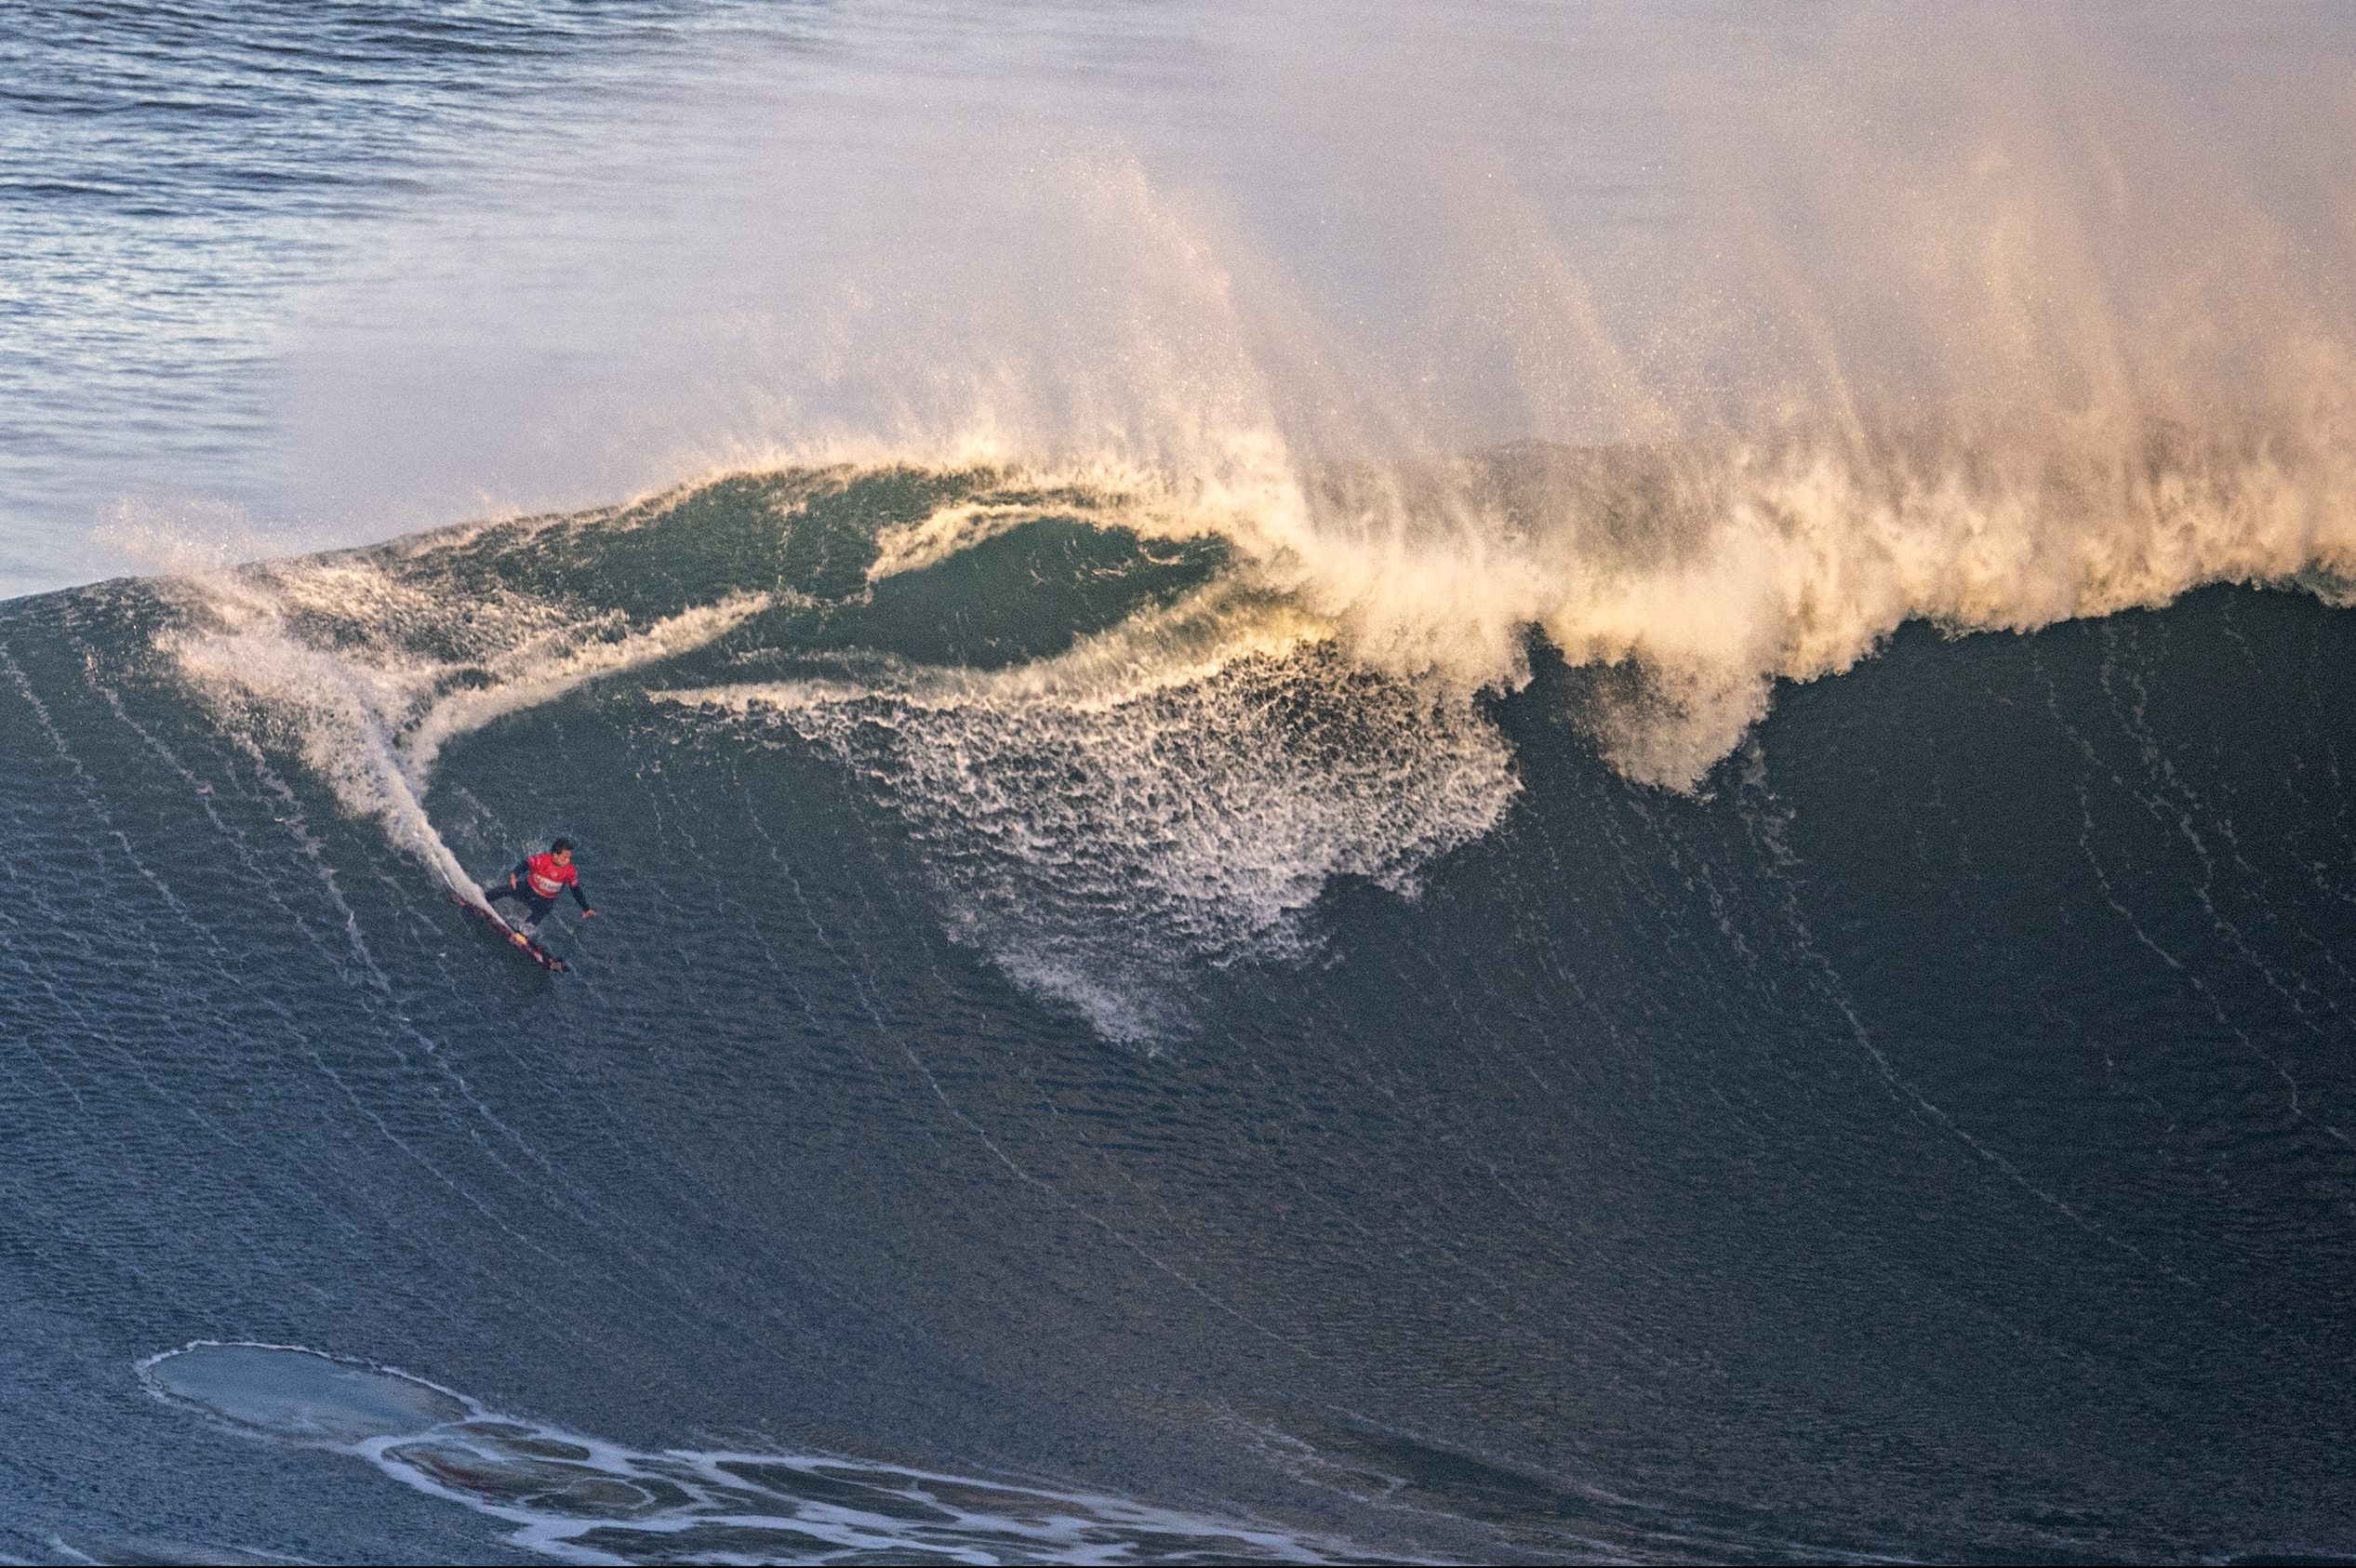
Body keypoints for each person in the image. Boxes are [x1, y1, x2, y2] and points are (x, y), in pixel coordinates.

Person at [486, 837, 597, 946]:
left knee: (542, 912)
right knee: (508, 889)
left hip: (544, 901)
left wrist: (586, 908)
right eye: (565, 857)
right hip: (528, 890)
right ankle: (483, 899)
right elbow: (525, 864)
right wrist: (515, 874)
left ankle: (522, 934)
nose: (568, 861)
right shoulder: (542, 860)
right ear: (555, 855)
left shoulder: (570, 871)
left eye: (569, 858)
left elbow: (575, 890)